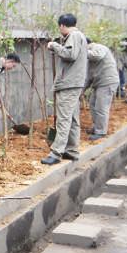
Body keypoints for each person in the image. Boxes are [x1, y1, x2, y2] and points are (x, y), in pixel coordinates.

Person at [42, 13, 87, 165]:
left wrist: (54, 45)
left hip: (68, 84)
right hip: (74, 83)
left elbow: (70, 54)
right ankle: (71, 150)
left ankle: (56, 153)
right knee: (72, 118)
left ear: (62, 25)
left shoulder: (74, 35)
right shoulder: (79, 36)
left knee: (63, 119)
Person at [85, 39, 120, 140]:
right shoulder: (89, 59)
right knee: (92, 104)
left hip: (107, 82)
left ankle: (101, 132)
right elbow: (89, 76)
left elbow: (97, 56)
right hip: (99, 84)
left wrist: (82, 51)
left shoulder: (98, 47)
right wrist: (81, 91)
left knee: (101, 107)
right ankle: (97, 126)